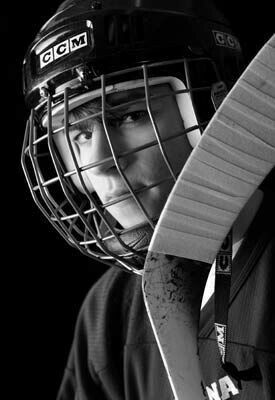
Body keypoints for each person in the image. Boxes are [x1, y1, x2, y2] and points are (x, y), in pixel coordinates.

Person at [21, 0, 274, 399]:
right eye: (81, 135)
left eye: (130, 116)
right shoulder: (110, 316)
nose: (100, 162)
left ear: (214, 108)